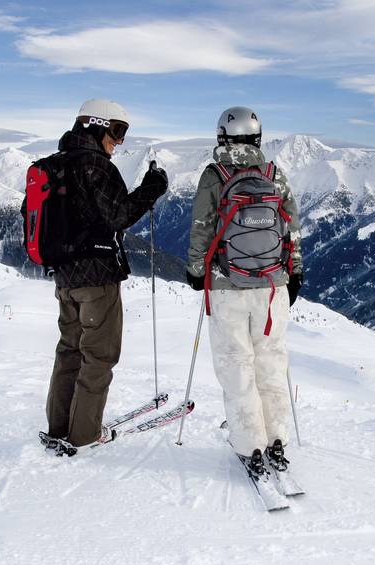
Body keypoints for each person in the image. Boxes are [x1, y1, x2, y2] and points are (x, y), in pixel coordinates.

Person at [44, 98, 168, 452]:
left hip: (64, 278)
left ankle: (58, 426)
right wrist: (152, 187)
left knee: (69, 351)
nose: (119, 141)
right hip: (96, 279)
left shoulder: (56, 164)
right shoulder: (96, 166)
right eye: (116, 131)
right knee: (98, 357)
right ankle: (83, 435)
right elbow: (119, 215)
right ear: (97, 126)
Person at [185, 106, 303, 475]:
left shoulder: (213, 175)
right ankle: (277, 438)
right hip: (272, 287)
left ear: (222, 137)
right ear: (258, 137)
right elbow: (292, 229)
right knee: (271, 361)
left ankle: (250, 444)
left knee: (237, 364)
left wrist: (196, 270)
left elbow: (202, 228)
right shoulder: (274, 175)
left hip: (227, 284)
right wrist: (293, 274)